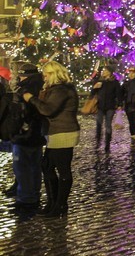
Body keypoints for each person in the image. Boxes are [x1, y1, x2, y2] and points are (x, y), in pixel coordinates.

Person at [23, 60, 80, 217]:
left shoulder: (61, 90)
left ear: (53, 74)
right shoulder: (55, 89)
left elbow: (47, 110)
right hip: (55, 132)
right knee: (47, 166)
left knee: (62, 170)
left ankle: (60, 205)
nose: (44, 77)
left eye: (46, 74)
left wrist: (30, 98)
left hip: (64, 132)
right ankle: (53, 202)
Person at [9, 64, 45, 211]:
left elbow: (22, 113)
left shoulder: (24, 90)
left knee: (22, 167)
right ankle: (33, 195)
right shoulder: (42, 87)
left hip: (24, 134)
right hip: (37, 134)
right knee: (35, 166)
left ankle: (26, 198)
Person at [91, 65, 123, 152]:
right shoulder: (100, 81)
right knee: (98, 124)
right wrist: (95, 87)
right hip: (100, 106)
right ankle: (98, 142)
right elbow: (93, 93)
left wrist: (120, 104)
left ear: (109, 72)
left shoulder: (115, 82)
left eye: (105, 70)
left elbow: (118, 94)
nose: (103, 72)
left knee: (108, 125)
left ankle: (107, 145)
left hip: (110, 107)